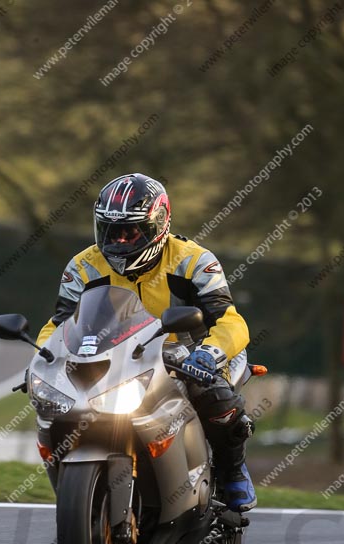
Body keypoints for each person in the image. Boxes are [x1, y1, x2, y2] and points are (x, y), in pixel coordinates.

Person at [37, 173, 256, 512]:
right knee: (62, 406)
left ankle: (232, 470)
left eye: (131, 231)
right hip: (116, 357)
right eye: (112, 231)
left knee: (216, 398)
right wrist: (44, 359)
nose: (120, 240)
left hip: (189, 354)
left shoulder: (194, 261)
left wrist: (210, 354)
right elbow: (60, 325)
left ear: (159, 224)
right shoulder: (81, 268)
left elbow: (229, 319)